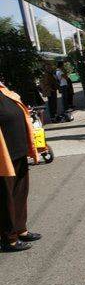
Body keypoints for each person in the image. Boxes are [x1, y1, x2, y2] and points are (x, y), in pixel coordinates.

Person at [0, 81, 41, 252]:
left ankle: (20, 229)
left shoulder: (3, 90)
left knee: (20, 192)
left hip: (18, 150)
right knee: (4, 197)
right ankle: (8, 238)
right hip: (3, 155)